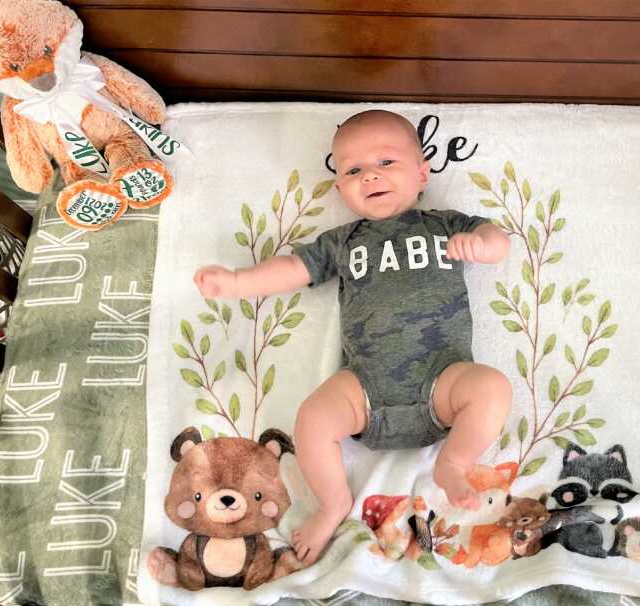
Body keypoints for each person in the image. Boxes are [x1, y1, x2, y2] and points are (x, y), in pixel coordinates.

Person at [194, 110, 512, 564]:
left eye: (386, 162)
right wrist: (237, 283)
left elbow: (496, 238)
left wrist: (484, 245)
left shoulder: (442, 224)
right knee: (312, 419)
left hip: (443, 381)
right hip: (365, 392)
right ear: (340, 188)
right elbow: (292, 270)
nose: (371, 177)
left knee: (492, 387)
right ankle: (333, 503)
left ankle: (454, 462)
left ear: (422, 173)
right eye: (354, 170)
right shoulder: (342, 242)